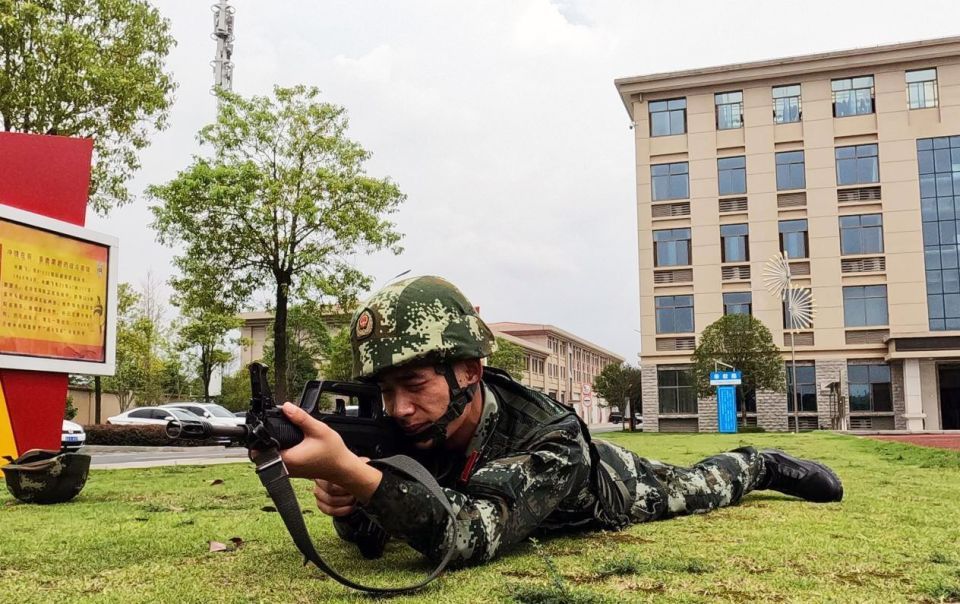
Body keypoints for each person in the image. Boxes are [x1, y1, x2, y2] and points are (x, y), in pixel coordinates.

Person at [277, 275, 843, 565]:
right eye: (386, 390)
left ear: (469, 371)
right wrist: (350, 500)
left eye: (415, 385)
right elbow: (376, 543)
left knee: (703, 486)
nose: (399, 408)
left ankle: (760, 463)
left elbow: (469, 534)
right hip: (499, 498)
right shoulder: (409, 427)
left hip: (611, 487)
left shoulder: (549, 432)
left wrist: (362, 477)